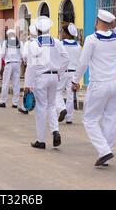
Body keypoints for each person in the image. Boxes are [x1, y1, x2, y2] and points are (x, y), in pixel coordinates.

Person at [72, 9, 116, 167]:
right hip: (114, 84)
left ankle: (104, 151)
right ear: (109, 23)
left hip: (98, 84)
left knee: (89, 120)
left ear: (97, 22)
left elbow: (83, 63)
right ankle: (107, 150)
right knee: (110, 118)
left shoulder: (92, 39)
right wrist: (115, 28)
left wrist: (75, 80)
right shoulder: (115, 37)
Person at [25, 16, 69, 150]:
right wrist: (59, 73)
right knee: (51, 106)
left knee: (41, 108)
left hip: (40, 78)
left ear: (37, 29)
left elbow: (31, 66)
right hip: (54, 77)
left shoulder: (33, 44)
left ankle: (41, 140)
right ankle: (55, 131)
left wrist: (28, 84)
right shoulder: (56, 42)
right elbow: (66, 59)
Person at [56, 23, 81, 125]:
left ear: (66, 34)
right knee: (71, 95)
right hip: (74, 73)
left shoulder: (60, 44)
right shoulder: (78, 46)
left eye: (63, 32)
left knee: (57, 92)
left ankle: (62, 108)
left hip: (63, 72)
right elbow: (80, 61)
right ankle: (69, 118)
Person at [0, 29, 23, 110]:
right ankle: (15, 103)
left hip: (9, 64)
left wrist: (5, 59)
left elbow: (2, 54)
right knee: (16, 84)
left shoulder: (6, 42)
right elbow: (22, 54)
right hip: (17, 64)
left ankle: (3, 101)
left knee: (5, 83)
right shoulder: (20, 42)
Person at [20, 24, 38, 115]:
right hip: (41, 69)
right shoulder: (40, 42)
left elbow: (25, 55)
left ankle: (25, 107)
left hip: (30, 68)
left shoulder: (28, 43)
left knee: (27, 87)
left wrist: (25, 61)